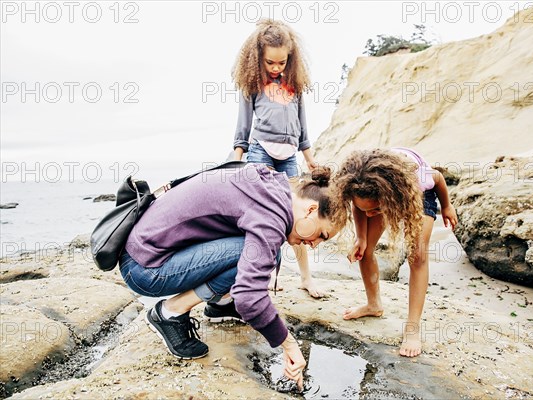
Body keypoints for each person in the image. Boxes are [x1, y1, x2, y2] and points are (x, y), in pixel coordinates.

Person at [119, 163, 346, 390]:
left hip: (146, 248)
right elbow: (249, 297)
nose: (314, 245)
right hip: (144, 268)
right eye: (322, 235)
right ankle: (169, 313)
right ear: (310, 210)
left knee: (269, 255)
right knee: (251, 254)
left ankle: (221, 303)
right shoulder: (271, 214)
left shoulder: (273, 185)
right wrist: (288, 344)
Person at [333, 148, 458, 357]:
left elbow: (438, 178)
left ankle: (412, 329)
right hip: (382, 193)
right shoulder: (361, 185)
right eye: (365, 210)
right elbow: (361, 207)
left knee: (417, 256)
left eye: (374, 211)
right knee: (364, 250)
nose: (370, 215)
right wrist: (361, 238)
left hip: (416, 194)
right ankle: (373, 305)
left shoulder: (419, 180)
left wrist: (447, 206)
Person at [230, 19, 323, 298]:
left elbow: (302, 125)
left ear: (290, 59)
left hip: (289, 156)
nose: (275, 68)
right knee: (264, 217)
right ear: (259, 57)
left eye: (281, 62)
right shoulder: (253, 84)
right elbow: (243, 125)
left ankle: (306, 277)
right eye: (270, 62)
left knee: (296, 219)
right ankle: (264, 275)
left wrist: (309, 158)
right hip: (260, 152)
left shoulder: (295, 84)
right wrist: (237, 157)